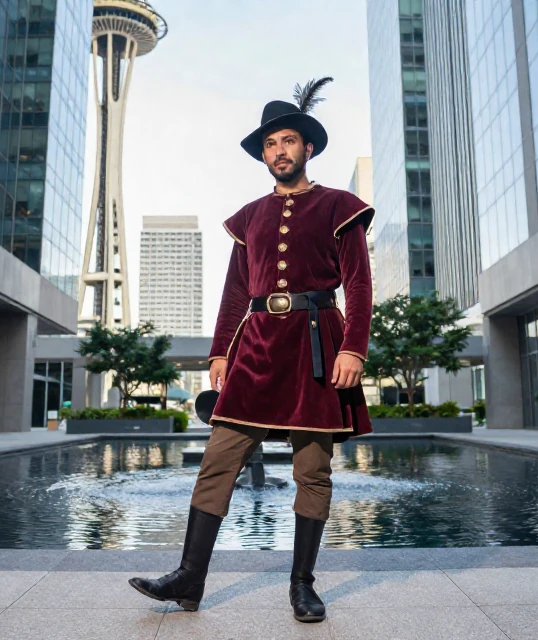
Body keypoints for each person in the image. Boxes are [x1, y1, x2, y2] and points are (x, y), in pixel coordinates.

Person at [128, 78, 374, 623]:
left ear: (307, 147)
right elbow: (235, 291)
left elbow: (358, 285)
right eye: (270, 144)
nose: (279, 151)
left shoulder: (341, 206)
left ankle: (302, 585)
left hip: (316, 344)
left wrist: (353, 349)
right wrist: (220, 352)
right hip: (256, 346)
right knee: (218, 460)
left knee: (313, 470)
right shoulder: (248, 217)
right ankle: (189, 579)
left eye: (288, 141)